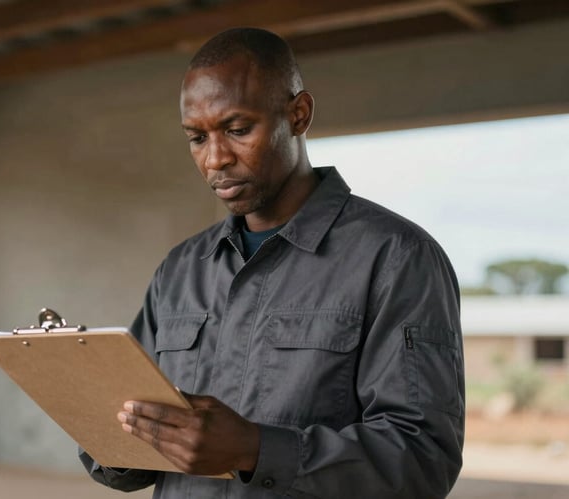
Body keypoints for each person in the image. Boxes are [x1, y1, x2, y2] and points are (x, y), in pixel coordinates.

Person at [79, 27, 464, 498]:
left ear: (298, 115)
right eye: (197, 138)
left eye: (238, 130)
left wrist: (256, 449)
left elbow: (424, 459)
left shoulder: (395, 257)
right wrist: (101, 425)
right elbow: (129, 447)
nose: (216, 159)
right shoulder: (181, 269)